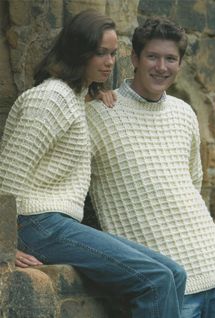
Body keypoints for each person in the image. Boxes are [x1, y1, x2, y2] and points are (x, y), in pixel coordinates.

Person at [0, 10, 187, 318]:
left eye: (114, 53)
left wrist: (96, 94)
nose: (110, 62)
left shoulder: (73, 97)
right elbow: (7, 176)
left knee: (174, 274)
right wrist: (5, 244)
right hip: (35, 224)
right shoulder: (50, 98)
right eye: (101, 53)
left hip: (56, 223)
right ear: (79, 50)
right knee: (156, 280)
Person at [86, 16, 215, 317]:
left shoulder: (184, 114)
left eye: (171, 59)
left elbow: (193, 183)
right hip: (164, 280)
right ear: (134, 59)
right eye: (153, 56)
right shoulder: (97, 115)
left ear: (180, 64)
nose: (161, 67)